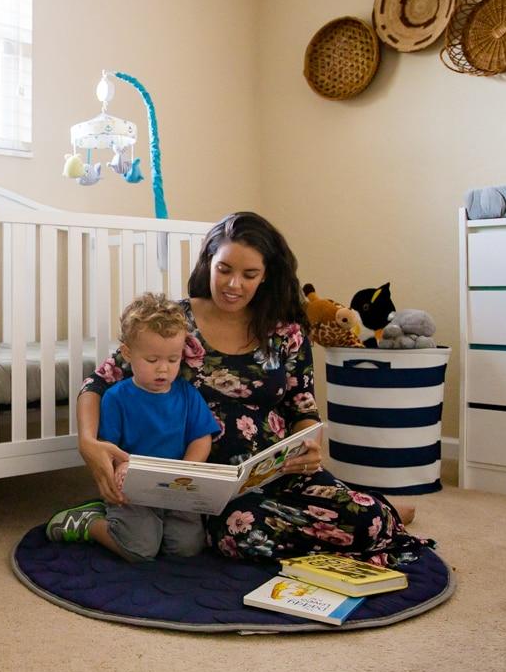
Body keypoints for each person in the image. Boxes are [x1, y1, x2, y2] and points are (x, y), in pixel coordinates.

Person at [69, 212, 432, 566]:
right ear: (209, 261)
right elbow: (99, 380)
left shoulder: (286, 331)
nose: (233, 285)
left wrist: (308, 447)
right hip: (204, 489)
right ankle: (375, 516)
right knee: (240, 532)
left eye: (249, 274)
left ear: (266, 276)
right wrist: (88, 441)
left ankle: (371, 514)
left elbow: (303, 407)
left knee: (363, 520)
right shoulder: (174, 323)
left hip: (278, 473)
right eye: (224, 269)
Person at [45, 293, 221, 562]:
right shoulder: (117, 398)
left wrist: (188, 468)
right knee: (139, 549)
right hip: (134, 490)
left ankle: (151, 527)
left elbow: (201, 438)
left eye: (173, 360)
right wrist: (122, 468)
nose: (163, 369)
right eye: (152, 361)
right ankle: (89, 523)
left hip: (176, 490)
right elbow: (110, 449)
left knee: (186, 549)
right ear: (127, 353)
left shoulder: (187, 394)